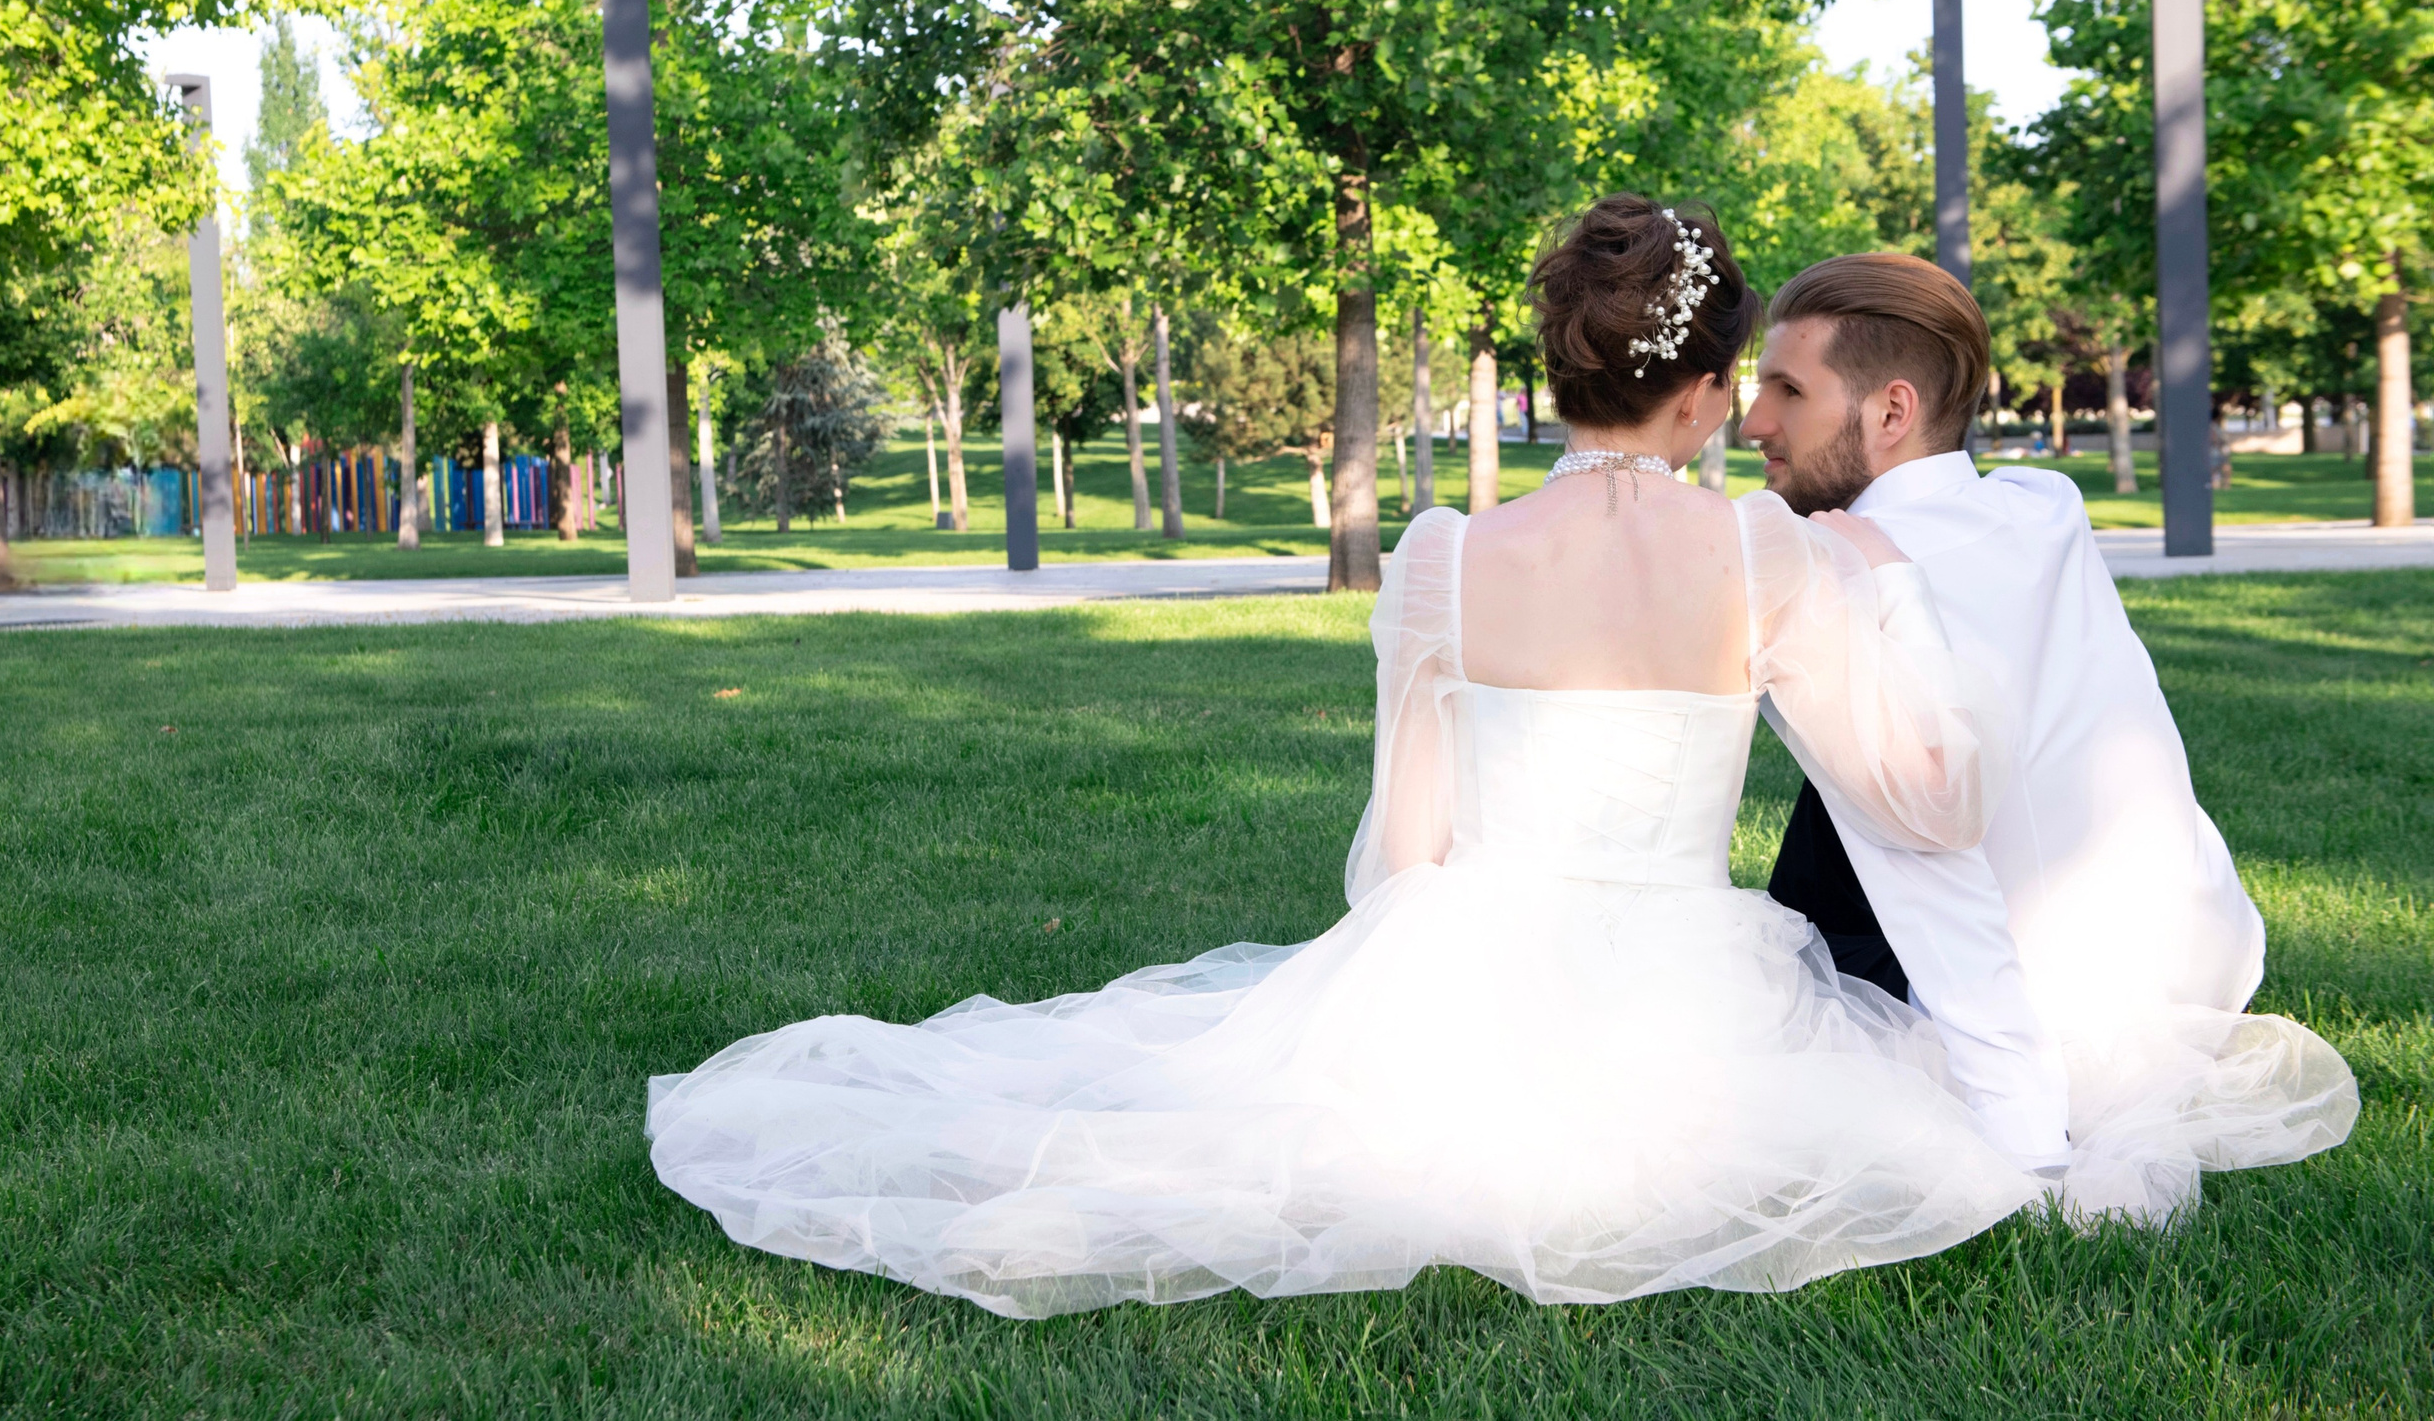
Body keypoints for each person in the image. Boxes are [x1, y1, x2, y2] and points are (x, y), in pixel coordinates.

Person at [648, 195, 2063, 1318]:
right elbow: (1930, 802)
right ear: (1701, 392)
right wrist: (1901, 615)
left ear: (1568, 371)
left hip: (1471, 966)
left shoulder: (1446, 555)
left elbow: (1402, 851)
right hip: (1700, 989)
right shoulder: (1769, 551)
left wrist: (1390, 997)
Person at [1740, 252, 2355, 1217]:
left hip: (2033, 999)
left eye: (1786, 389)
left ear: (1890, 412)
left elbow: (1933, 870)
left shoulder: (1831, 575)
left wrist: (2025, 1136)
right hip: (2200, 954)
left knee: (1881, 802)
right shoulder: (2043, 505)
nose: (1753, 423)